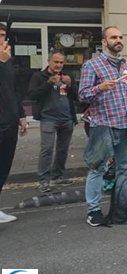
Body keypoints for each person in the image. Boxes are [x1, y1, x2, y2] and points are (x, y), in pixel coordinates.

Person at [78, 26, 127, 226]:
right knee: (97, 168)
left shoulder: (126, 67)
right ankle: (94, 211)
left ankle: (120, 204)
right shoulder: (92, 66)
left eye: (121, 37)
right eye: (113, 37)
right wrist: (99, 87)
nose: (118, 40)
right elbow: (82, 95)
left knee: (125, 167)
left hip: (126, 124)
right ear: (104, 41)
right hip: (103, 124)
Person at [27, 51, 77, 192]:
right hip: (48, 118)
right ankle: (43, 180)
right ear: (49, 61)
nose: (58, 65)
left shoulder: (67, 76)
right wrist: (48, 83)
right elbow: (32, 95)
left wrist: (70, 85)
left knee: (62, 150)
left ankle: (58, 177)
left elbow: (77, 96)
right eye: (56, 62)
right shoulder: (39, 76)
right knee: (47, 149)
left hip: (66, 118)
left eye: (61, 62)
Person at [0, 24, 27, 223]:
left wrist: (21, 114)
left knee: (4, 166)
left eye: (3, 35)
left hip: (9, 122)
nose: (3, 40)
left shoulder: (7, 60)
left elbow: (14, 90)